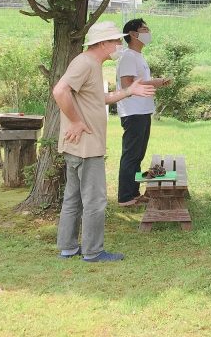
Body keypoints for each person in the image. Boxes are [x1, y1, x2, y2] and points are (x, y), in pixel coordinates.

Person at [53, 21, 156, 262]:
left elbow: (100, 98)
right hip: (86, 145)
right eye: (114, 41)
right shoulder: (85, 62)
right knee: (95, 200)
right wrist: (76, 122)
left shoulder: (91, 64)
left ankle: (68, 247)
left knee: (73, 197)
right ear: (102, 43)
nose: (118, 45)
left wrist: (130, 91)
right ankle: (93, 251)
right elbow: (60, 91)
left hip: (81, 144)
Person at [115, 18, 171, 207]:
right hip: (133, 112)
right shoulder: (128, 56)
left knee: (137, 155)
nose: (148, 32)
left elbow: (139, 82)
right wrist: (154, 82)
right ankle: (125, 197)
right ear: (133, 34)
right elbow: (127, 84)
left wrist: (156, 81)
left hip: (143, 110)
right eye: (144, 29)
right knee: (131, 154)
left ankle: (134, 193)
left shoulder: (138, 56)